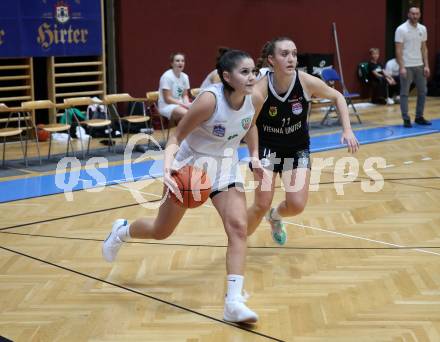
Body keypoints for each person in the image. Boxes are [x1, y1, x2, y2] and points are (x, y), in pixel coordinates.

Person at [102, 49, 264, 324]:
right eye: (245, 72)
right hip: (190, 167)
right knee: (161, 230)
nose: (252, 77)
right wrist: (168, 166)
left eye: (254, 72)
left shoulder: (256, 98)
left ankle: (233, 302)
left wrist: (255, 155)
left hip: (225, 166)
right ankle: (122, 231)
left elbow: (250, 126)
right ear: (227, 76)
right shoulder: (209, 101)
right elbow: (177, 135)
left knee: (238, 227)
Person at [246, 37, 359, 245]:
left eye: (294, 54)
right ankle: (239, 239)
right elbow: (250, 125)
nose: (291, 59)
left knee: (296, 205)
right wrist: (253, 155)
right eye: (284, 54)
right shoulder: (260, 90)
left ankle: (275, 217)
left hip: (296, 149)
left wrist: (348, 129)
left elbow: (338, 97)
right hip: (267, 149)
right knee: (261, 203)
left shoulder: (305, 81)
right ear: (271, 60)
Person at [395, 6, 431, 128]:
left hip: (420, 65)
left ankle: (419, 116)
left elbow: (424, 48)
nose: (414, 16)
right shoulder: (401, 29)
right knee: (404, 93)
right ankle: (406, 118)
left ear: (419, 15)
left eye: (417, 14)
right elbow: (398, 50)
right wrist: (402, 67)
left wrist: (426, 65)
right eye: (412, 14)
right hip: (407, 66)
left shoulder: (423, 29)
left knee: (423, 91)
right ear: (408, 14)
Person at [157, 52, 191, 124]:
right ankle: (181, 134)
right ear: (172, 64)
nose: (180, 63)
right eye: (177, 61)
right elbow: (167, 99)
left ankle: (187, 134)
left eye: (182, 61)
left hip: (180, 104)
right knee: (189, 115)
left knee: (196, 113)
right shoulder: (167, 76)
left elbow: (185, 95)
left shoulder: (185, 77)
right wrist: (183, 105)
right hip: (166, 106)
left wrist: (187, 104)